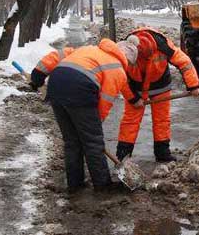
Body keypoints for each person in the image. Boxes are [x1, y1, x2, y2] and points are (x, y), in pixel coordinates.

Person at [30, 39, 138, 192]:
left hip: (56, 84)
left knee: (72, 141)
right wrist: (92, 128)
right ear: (128, 59)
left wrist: (37, 76)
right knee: (93, 143)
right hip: (80, 88)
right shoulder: (117, 69)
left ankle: (75, 183)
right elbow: (105, 102)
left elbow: (56, 55)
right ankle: (102, 185)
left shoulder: (89, 49)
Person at [116, 27, 199, 163]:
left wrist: (193, 85)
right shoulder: (126, 51)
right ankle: (123, 154)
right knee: (130, 120)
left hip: (160, 85)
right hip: (134, 87)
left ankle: (162, 153)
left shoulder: (164, 45)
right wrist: (133, 98)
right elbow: (121, 79)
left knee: (162, 119)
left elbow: (184, 62)